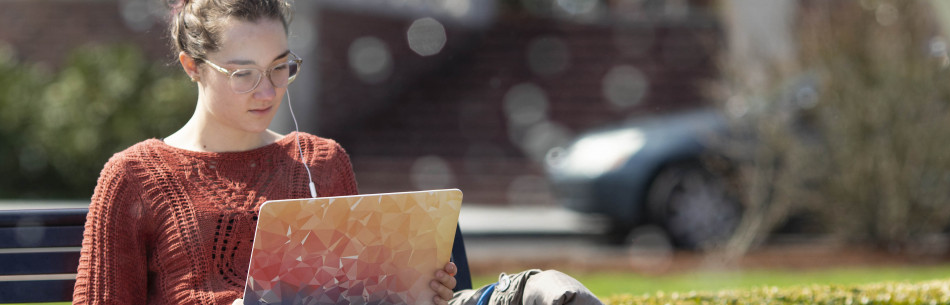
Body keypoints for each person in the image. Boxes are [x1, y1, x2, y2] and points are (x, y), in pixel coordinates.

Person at [73, 0, 602, 304]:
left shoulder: (320, 161)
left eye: (281, 66)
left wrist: (417, 289)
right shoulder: (136, 176)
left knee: (551, 293)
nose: (268, 90)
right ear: (193, 67)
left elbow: (353, 292)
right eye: (244, 74)